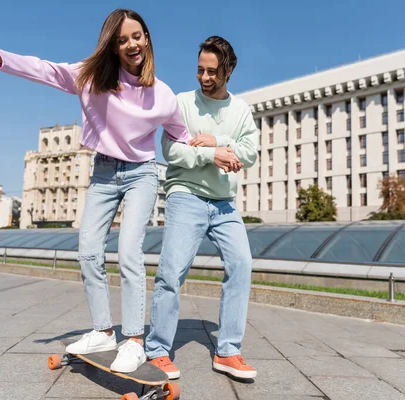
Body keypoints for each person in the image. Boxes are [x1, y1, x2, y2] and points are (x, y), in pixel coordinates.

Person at [0, 9, 191, 373]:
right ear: (113, 47)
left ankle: (134, 340)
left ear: (147, 38)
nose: (131, 44)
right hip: (103, 173)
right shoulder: (91, 77)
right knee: (87, 250)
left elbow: (181, 135)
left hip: (142, 175)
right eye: (122, 40)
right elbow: (43, 69)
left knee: (128, 251)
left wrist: (212, 148)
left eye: (137, 36)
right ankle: (104, 330)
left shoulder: (163, 95)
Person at [145, 36, 258, 380]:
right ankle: (158, 350)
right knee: (171, 271)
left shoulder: (241, 111)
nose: (205, 78)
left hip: (224, 203)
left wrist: (218, 141)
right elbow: (172, 151)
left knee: (241, 263)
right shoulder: (181, 103)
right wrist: (213, 155)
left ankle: (228, 351)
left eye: (213, 72)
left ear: (229, 71)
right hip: (185, 194)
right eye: (200, 70)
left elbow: (249, 152)